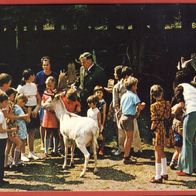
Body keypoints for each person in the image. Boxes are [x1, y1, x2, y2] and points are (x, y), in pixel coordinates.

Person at [173, 70, 196, 176]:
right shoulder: (192, 88)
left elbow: (181, 104)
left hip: (191, 113)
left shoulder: (180, 87)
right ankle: (193, 166)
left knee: (187, 142)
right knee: (193, 141)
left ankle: (186, 170)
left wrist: (173, 111)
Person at [120, 76, 145, 165]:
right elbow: (139, 107)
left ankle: (126, 155)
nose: (137, 87)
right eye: (136, 85)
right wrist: (143, 105)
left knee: (127, 137)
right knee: (129, 138)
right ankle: (126, 157)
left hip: (122, 117)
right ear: (133, 86)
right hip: (128, 118)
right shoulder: (134, 96)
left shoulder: (124, 95)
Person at [35, 56, 58, 150]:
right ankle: (43, 142)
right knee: (43, 123)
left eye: (47, 64)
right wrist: (40, 100)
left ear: (50, 64)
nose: (46, 66)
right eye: (44, 65)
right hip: (42, 99)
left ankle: (53, 145)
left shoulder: (54, 74)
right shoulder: (39, 75)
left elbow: (58, 87)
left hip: (52, 100)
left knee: (53, 124)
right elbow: (35, 88)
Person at [17, 69, 41, 160]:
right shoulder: (21, 87)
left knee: (31, 132)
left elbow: (39, 98)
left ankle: (31, 152)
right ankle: (23, 154)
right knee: (23, 132)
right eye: (33, 75)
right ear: (29, 76)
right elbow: (18, 101)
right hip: (24, 110)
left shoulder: (34, 86)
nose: (34, 76)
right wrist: (27, 111)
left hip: (34, 109)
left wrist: (36, 109)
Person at [150, 85, 171, 183]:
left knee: (157, 152)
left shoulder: (153, 106)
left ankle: (158, 176)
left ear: (153, 96)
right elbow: (168, 116)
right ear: (162, 93)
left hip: (158, 129)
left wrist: (152, 129)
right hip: (166, 128)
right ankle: (164, 172)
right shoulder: (168, 103)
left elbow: (154, 120)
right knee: (162, 150)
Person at [0, 93, 17, 186]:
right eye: (5, 102)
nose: (7, 104)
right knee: (1, 158)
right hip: (1, 138)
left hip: (2, 138)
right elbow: (0, 130)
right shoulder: (0, 114)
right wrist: (11, 129)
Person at [42, 76, 59, 157]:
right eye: (48, 84)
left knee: (56, 132)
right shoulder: (45, 93)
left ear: (54, 83)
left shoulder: (56, 93)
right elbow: (43, 103)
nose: (49, 85)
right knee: (47, 132)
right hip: (48, 115)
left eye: (51, 84)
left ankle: (55, 150)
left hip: (55, 115)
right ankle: (46, 150)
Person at [14, 94, 30, 164]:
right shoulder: (17, 107)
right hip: (19, 128)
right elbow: (25, 118)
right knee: (19, 144)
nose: (24, 104)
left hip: (22, 127)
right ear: (20, 101)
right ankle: (16, 161)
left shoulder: (19, 108)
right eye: (24, 102)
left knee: (20, 144)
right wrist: (28, 113)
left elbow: (27, 119)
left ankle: (18, 159)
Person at [169, 102, 184, 170]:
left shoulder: (174, 121)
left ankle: (172, 162)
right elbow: (181, 132)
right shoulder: (180, 123)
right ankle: (179, 164)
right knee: (181, 151)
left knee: (176, 151)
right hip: (180, 138)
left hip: (175, 138)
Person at [93, 85, 107, 156]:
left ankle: (102, 149)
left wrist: (103, 123)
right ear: (94, 93)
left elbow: (104, 113)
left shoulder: (103, 102)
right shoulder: (93, 101)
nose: (99, 94)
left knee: (102, 135)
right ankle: (95, 148)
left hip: (101, 120)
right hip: (94, 120)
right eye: (97, 92)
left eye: (100, 92)